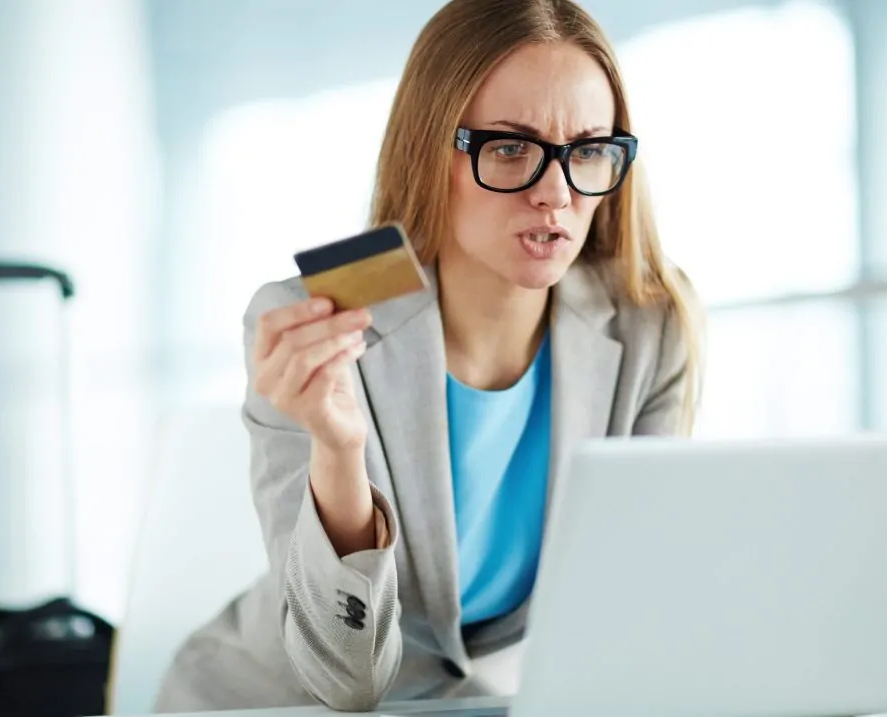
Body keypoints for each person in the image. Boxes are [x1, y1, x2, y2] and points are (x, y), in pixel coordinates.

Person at [154, 0, 703, 711]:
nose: (556, 193)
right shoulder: (314, 310)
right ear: (428, 149)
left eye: (590, 149)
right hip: (269, 701)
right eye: (509, 148)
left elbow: (637, 603)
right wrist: (337, 449)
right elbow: (346, 681)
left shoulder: (650, 321)